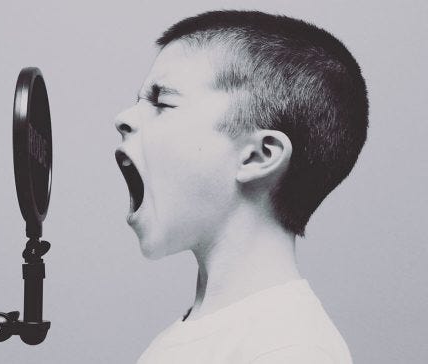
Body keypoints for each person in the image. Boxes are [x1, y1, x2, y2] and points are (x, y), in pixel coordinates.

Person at [114, 10, 367, 364]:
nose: (123, 118)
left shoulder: (289, 350)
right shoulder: (197, 334)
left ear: (258, 156)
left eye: (162, 102)